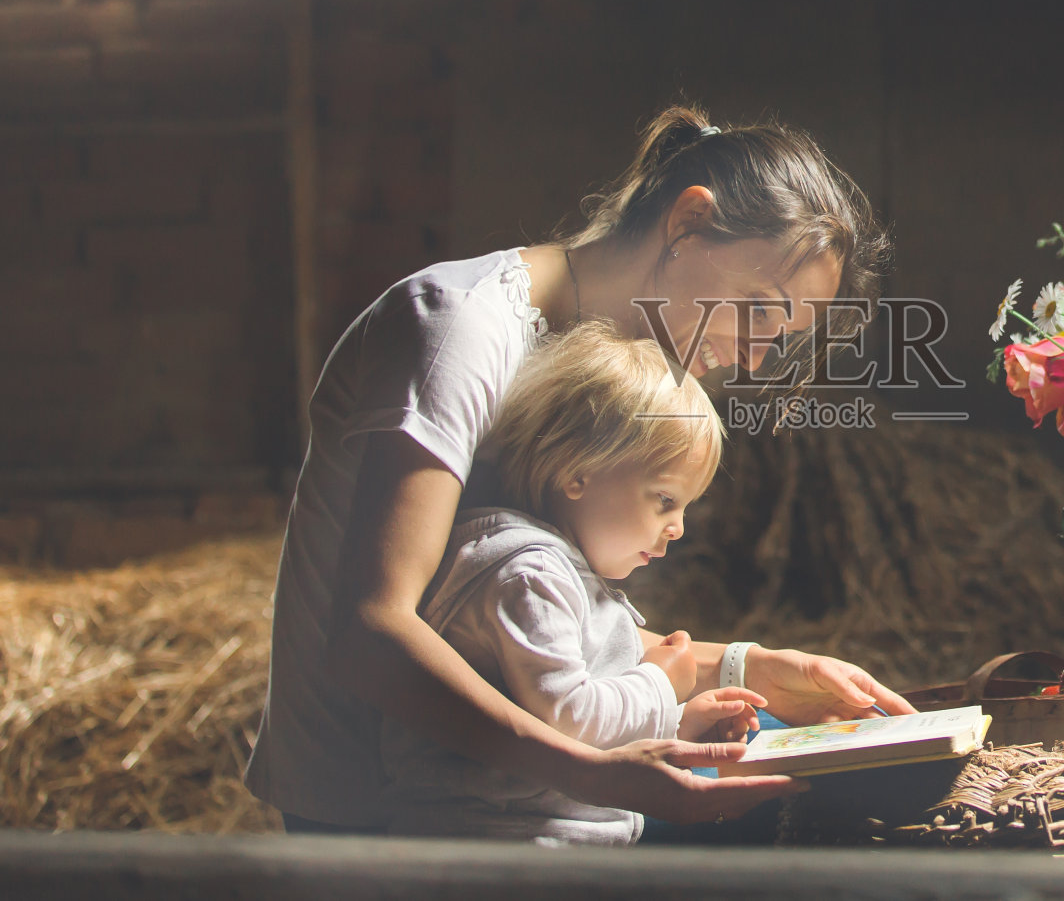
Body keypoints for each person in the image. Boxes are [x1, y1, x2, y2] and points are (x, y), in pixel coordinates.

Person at [245, 104, 912, 833]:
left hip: (510, 803)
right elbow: (373, 633)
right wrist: (596, 774)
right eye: (758, 309)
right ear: (688, 223)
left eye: (777, 336)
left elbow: (535, 635)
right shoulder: (459, 330)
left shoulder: (603, 377)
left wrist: (753, 667)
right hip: (381, 819)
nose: (757, 356)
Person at [381, 321, 762, 843]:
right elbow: (570, 720)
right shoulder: (529, 577)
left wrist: (680, 722)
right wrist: (659, 683)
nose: (678, 528)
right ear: (579, 472)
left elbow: (579, 734)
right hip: (509, 853)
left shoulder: (555, 569)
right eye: (665, 500)